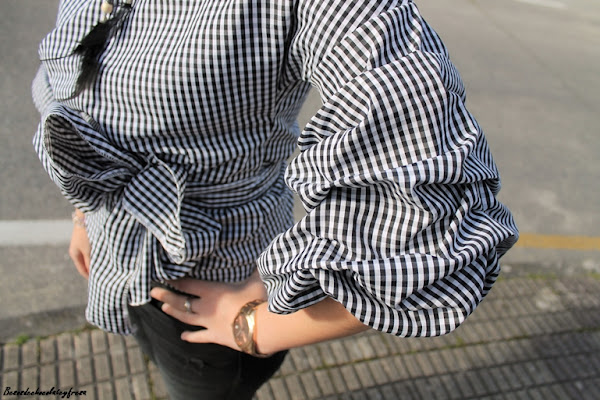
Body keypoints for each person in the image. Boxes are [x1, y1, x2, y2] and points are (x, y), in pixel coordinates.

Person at [32, 0, 518, 398]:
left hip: (215, 286)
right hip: (116, 256)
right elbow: (79, 92)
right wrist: (84, 214)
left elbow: (437, 236)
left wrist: (255, 328)